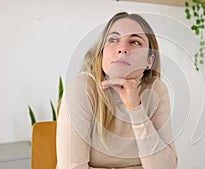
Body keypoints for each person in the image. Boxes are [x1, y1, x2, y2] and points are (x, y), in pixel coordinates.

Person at [56, 12, 178, 169]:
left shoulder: (156, 90)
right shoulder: (82, 87)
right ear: (102, 52)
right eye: (113, 40)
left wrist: (136, 110)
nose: (122, 48)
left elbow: (168, 167)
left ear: (150, 61)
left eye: (134, 42)